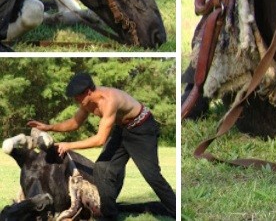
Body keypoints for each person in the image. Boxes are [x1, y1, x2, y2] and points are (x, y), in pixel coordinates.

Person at [27, 72, 176, 219]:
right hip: (122, 130)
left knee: (152, 176)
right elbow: (74, 123)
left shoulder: (109, 100)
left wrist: (68, 145)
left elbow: (100, 139)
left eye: (78, 98)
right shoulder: (87, 102)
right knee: (102, 168)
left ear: (89, 92)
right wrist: (48, 127)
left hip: (142, 129)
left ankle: (176, 211)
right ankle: (109, 215)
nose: (76, 101)